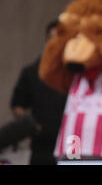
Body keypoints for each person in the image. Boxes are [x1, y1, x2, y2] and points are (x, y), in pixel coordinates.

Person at [9, 20, 67, 165]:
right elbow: (17, 105)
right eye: (53, 40)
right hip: (42, 146)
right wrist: (31, 124)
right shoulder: (32, 72)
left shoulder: (76, 73)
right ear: (46, 41)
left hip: (71, 142)